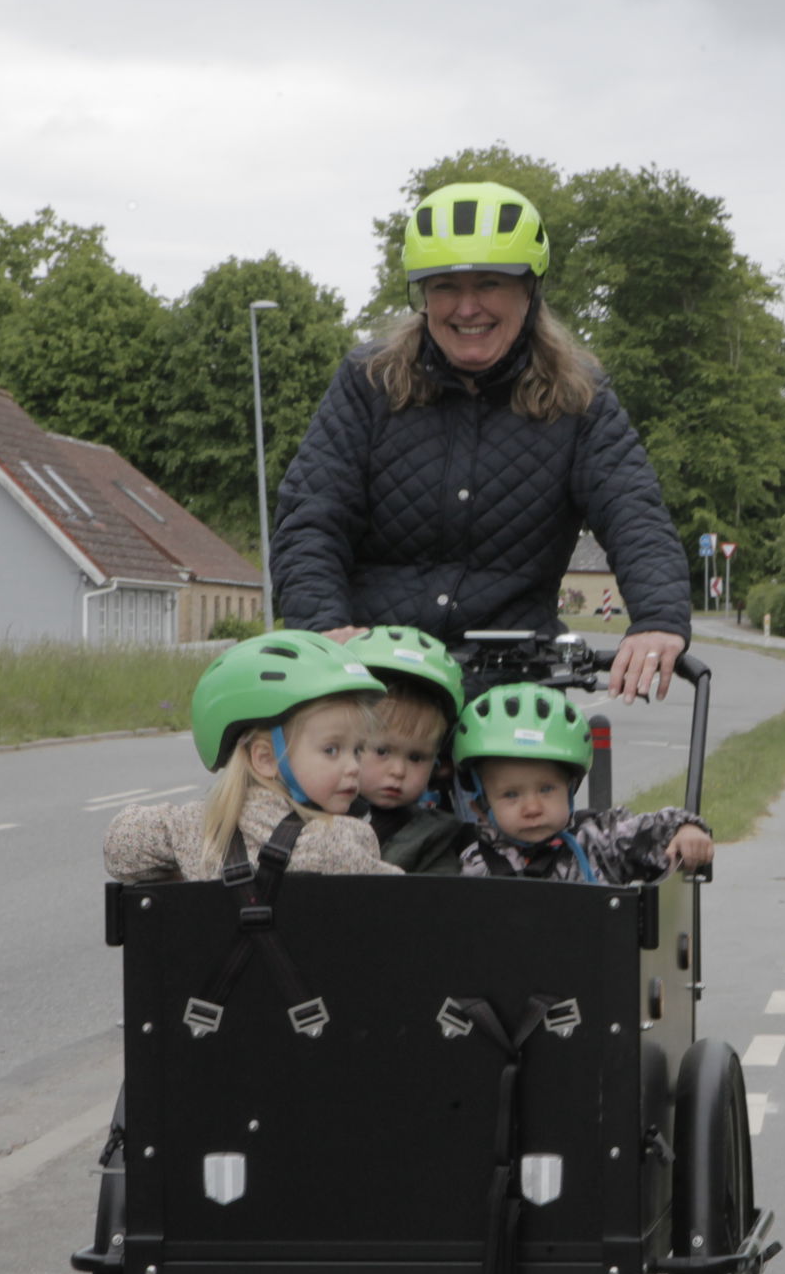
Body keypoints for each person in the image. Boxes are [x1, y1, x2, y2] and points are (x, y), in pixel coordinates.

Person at [268, 180, 692, 704]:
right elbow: (312, 516)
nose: (467, 308)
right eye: (445, 286)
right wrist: (324, 628)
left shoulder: (579, 397)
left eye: (489, 283)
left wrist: (657, 618)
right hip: (376, 680)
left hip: (512, 685)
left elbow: (635, 513)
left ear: (529, 291)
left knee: (534, 778)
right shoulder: (368, 382)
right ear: (423, 295)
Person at [103, 632, 399, 883]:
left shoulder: (198, 829)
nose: (353, 767)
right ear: (266, 759)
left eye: (358, 750)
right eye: (332, 750)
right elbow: (410, 908)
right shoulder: (343, 840)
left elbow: (120, 846)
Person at [452, 683, 712, 883]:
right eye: (511, 795)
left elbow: (650, 833)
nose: (532, 808)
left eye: (546, 789)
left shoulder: (598, 841)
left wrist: (683, 830)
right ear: (480, 806)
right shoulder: (470, 864)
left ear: (570, 789)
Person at [346, 626, 470, 875]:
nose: (398, 771)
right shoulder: (307, 814)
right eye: (382, 751)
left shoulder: (432, 839)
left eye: (416, 757)